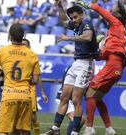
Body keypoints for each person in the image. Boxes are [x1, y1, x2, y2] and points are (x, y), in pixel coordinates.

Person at [41, 0, 98, 135]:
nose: (73, 20)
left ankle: (75, 132)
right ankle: (55, 128)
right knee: (64, 97)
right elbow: (64, 22)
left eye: (75, 17)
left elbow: (88, 37)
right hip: (76, 62)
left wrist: (68, 38)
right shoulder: (76, 24)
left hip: (86, 64)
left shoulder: (86, 24)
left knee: (76, 99)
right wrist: (60, 7)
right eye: (72, 17)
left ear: (82, 15)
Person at [77, 1, 126, 135]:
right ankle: (109, 129)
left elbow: (101, 10)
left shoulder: (116, 25)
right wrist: (97, 47)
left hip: (112, 66)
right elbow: (103, 56)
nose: (107, 18)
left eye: (111, 16)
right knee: (97, 98)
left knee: (89, 94)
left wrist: (88, 5)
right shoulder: (118, 34)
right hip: (117, 68)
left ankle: (89, 128)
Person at [0, 24, 41, 135]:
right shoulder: (32, 54)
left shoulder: (2, 51)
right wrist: (24, 80)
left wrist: (2, 74)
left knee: (3, 131)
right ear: (23, 36)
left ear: (10, 36)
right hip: (25, 96)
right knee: (24, 131)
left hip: (8, 95)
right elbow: (35, 81)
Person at [22, 38, 48, 135]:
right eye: (22, 44)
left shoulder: (33, 57)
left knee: (33, 115)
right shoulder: (16, 57)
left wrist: (42, 93)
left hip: (30, 88)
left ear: (29, 46)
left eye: (26, 45)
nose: (24, 46)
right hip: (17, 88)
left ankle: (37, 133)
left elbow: (38, 76)